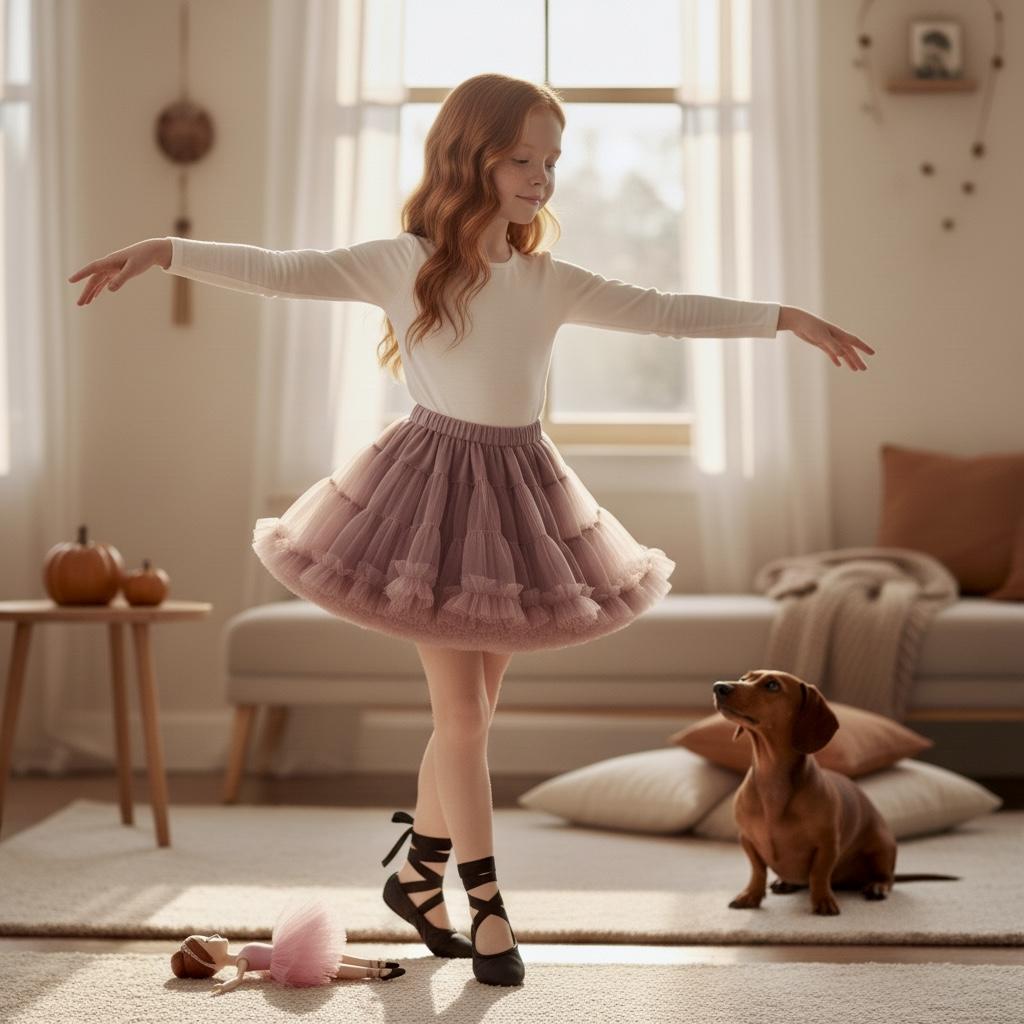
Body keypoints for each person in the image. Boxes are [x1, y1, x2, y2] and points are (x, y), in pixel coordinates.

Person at [68, 73, 874, 988]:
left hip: (521, 498)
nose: (542, 177)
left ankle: (417, 875)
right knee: (461, 716)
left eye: (551, 161)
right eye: (522, 159)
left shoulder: (546, 280)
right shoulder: (399, 261)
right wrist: (161, 250)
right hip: (425, 504)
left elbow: (664, 311)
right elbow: (281, 270)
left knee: (473, 715)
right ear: (470, 157)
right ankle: (487, 908)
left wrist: (786, 319)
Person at [170, 897, 404, 993]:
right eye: (208, 941)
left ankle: (377, 965)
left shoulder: (242, 953)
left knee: (332, 956)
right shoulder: (241, 959)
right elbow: (239, 978)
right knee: (331, 967)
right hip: (287, 962)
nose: (213, 935)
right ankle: (375, 973)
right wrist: (224, 986)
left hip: (286, 952)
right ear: (209, 959)